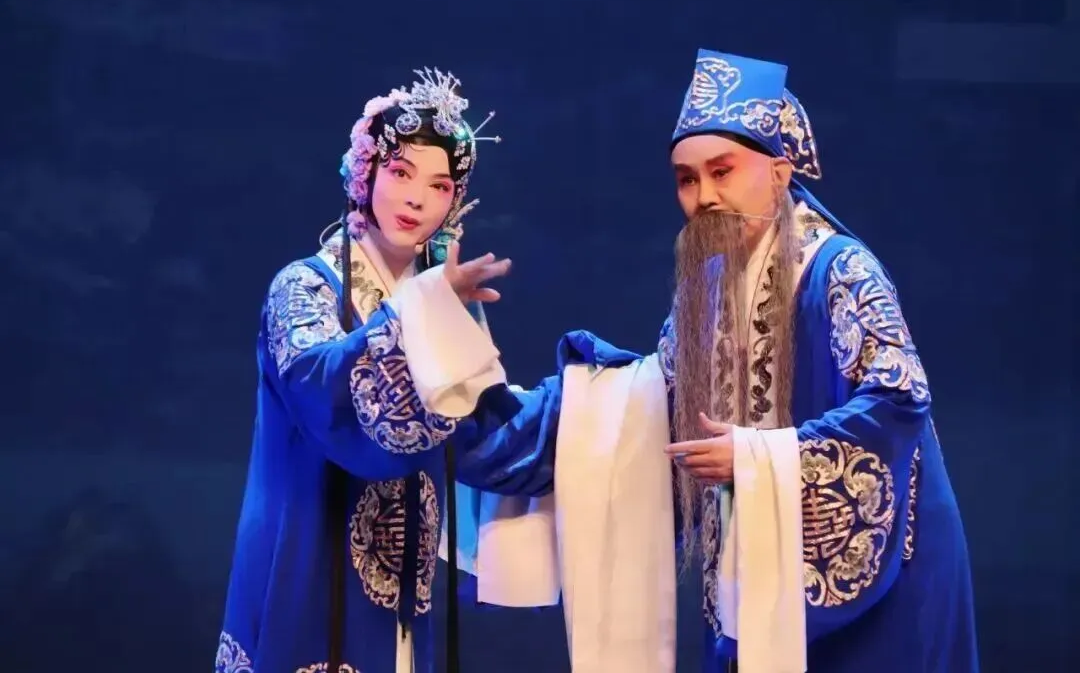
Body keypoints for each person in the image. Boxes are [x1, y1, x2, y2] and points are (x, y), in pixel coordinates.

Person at [405, 50, 979, 672]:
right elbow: (654, 401)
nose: (704, 196)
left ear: (780, 173)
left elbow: (898, 397)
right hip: (760, 562)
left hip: (888, 571)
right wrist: (480, 397)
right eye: (687, 179)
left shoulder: (841, 269)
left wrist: (758, 458)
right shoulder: (706, 288)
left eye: (722, 172)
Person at [215, 67, 520, 673]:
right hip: (308, 558)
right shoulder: (304, 288)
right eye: (401, 172)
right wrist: (424, 311)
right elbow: (321, 385)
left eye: (439, 185)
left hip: (405, 583)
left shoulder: (442, 300)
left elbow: (483, 432)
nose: (416, 199)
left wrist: (605, 398)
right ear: (365, 173)